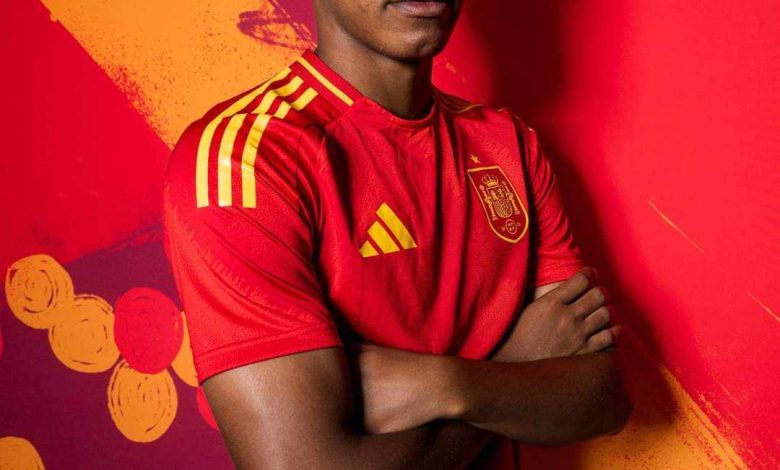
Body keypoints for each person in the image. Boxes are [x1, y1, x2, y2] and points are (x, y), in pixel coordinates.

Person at [162, 0, 633, 467]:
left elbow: (603, 398)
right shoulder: (247, 161)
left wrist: (445, 385)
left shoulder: (508, 144)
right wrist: (514, 367)